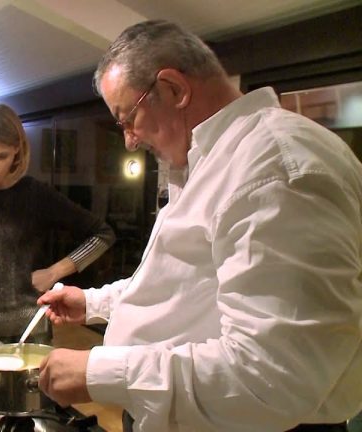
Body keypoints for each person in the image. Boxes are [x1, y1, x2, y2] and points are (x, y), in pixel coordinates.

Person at [37, 20, 362, 432]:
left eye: (127, 118)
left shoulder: (272, 166)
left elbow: (271, 378)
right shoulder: (208, 161)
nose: (129, 140)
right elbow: (184, 287)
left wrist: (100, 371)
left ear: (173, 89)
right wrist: (92, 302)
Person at [0, 104, 116, 344]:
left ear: (17, 149)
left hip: (26, 327)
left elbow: (103, 235)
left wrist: (54, 272)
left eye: (1, 156)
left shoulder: (36, 194)